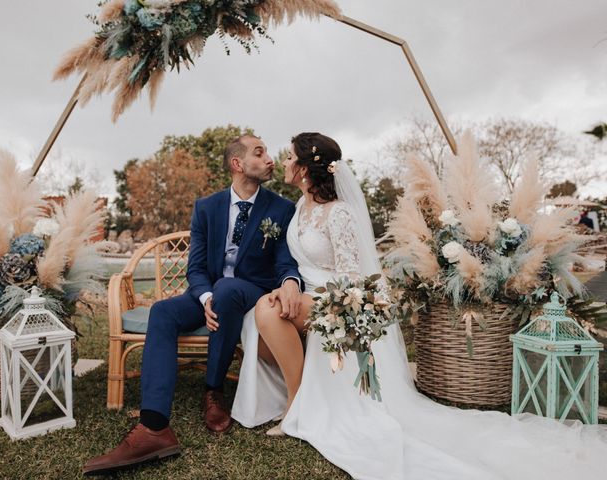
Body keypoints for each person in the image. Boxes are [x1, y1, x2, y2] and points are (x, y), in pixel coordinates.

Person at [232, 132, 607, 479]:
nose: (282, 162)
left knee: (265, 311)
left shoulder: (340, 212)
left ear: (305, 168)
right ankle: (299, 394)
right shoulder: (299, 206)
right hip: (306, 293)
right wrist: (289, 287)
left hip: (333, 299)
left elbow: (349, 276)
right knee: (261, 316)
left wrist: (323, 304)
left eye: (288, 157)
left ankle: (295, 405)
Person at [83, 135, 303, 475]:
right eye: (259, 152)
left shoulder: (281, 209)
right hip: (209, 292)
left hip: (252, 294)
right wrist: (204, 297)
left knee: (229, 289)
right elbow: (196, 268)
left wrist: (290, 282)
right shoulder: (207, 207)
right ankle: (154, 426)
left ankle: (213, 390)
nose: (270, 159)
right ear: (237, 163)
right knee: (163, 311)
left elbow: (287, 261)